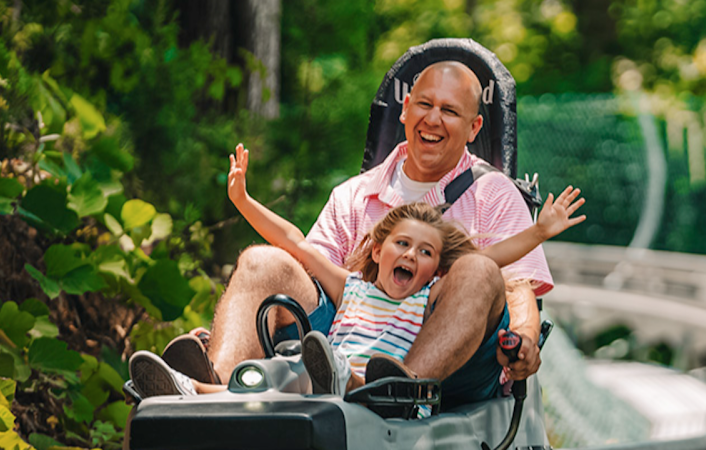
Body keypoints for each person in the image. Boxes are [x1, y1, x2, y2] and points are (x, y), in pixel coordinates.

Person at [132, 60, 562, 409]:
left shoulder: (493, 193)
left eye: (450, 111)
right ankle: (211, 386)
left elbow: (517, 284)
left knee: (480, 269)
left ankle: (400, 388)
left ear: (473, 128)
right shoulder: (353, 196)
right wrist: (244, 202)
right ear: (406, 108)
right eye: (425, 105)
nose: (434, 119)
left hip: (456, 358)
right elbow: (305, 264)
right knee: (263, 261)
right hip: (347, 347)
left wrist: (523, 337)